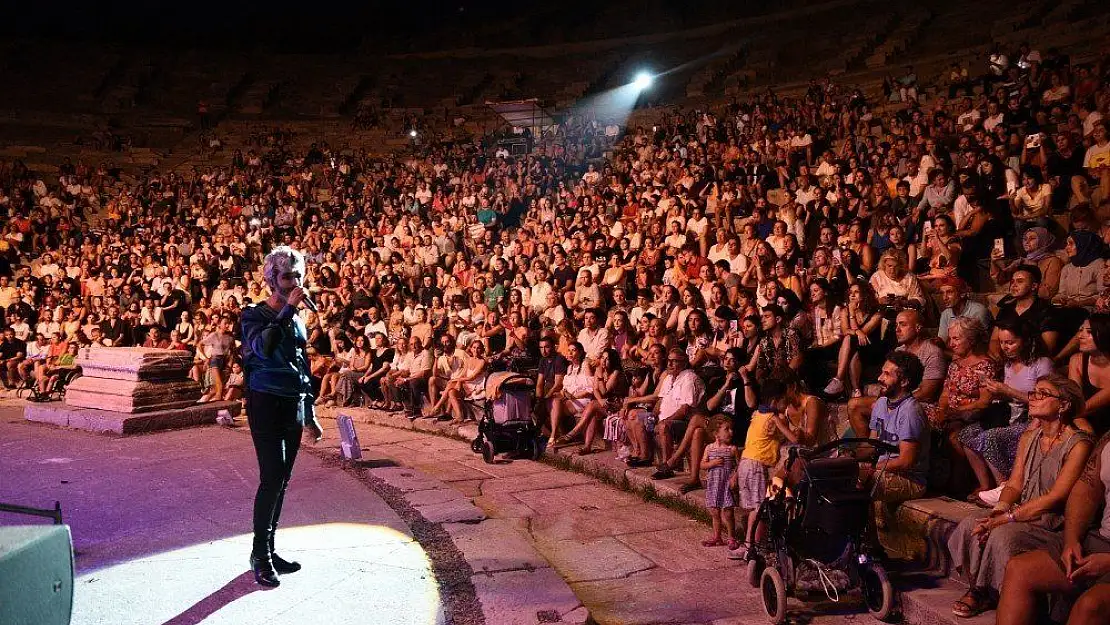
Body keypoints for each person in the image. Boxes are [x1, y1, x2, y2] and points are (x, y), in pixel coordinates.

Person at [947, 374, 1092, 618]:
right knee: (972, 524)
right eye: (1033, 392)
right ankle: (981, 589)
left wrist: (1007, 518)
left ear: (1064, 405)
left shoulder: (1078, 444)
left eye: (1042, 394)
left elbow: (1056, 497)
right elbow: (1014, 484)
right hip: (1021, 511)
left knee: (1002, 534)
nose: (1033, 398)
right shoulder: (1028, 437)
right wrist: (999, 510)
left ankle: (993, 594)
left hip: (1052, 522)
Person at [240, 246, 323, 587]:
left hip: (291, 402)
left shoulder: (298, 320)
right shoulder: (253, 315)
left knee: (283, 480)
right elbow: (263, 348)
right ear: (271, 279)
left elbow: (301, 366)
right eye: (288, 277)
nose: (295, 283)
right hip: (265, 401)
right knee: (271, 477)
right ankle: (259, 553)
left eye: (299, 276)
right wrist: (286, 310)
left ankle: (271, 550)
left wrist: (311, 412)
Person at [861, 351, 930, 547]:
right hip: (885, 469)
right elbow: (871, 445)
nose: (879, 378)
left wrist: (873, 469)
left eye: (886, 374)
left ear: (905, 381)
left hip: (911, 479)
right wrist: (846, 455)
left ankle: (871, 547)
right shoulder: (881, 403)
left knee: (863, 483)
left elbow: (906, 461)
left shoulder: (910, 411)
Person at [700, 414, 741, 550]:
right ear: (716, 433)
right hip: (714, 484)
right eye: (727, 429)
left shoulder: (732, 449)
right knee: (714, 512)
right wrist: (712, 463)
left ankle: (731, 537)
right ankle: (717, 535)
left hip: (726, 484)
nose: (731, 432)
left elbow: (738, 466)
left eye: (731, 429)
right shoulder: (709, 448)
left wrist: (734, 476)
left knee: (728, 512)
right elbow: (702, 465)